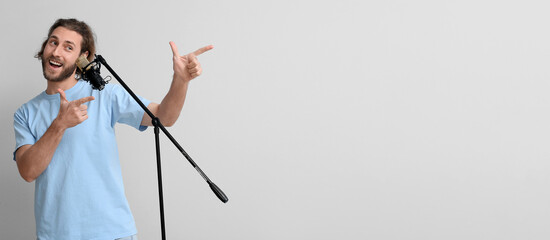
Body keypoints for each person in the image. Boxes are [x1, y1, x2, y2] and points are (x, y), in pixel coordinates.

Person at [12, 18, 213, 240]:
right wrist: (60, 124)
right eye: (53, 42)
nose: (57, 52)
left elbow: (163, 117)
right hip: (56, 235)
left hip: (112, 232)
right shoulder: (25, 113)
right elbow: (28, 172)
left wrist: (181, 80)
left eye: (68, 47)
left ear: (83, 58)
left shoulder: (105, 95)